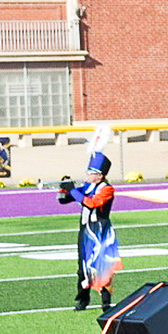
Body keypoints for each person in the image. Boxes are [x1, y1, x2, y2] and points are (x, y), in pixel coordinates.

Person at [58, 127, 120, 312]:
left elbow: (92, 203)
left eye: (90, 172)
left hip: (100, 229)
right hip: (85, 229)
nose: (87, 175)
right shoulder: (87, 186)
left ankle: (106, 301)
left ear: (99, 175)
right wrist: (64, 189)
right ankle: (82, 299)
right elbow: (64, 200)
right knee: (82, 266)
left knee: (102, 265)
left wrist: (74, 190)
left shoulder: (107, 189)